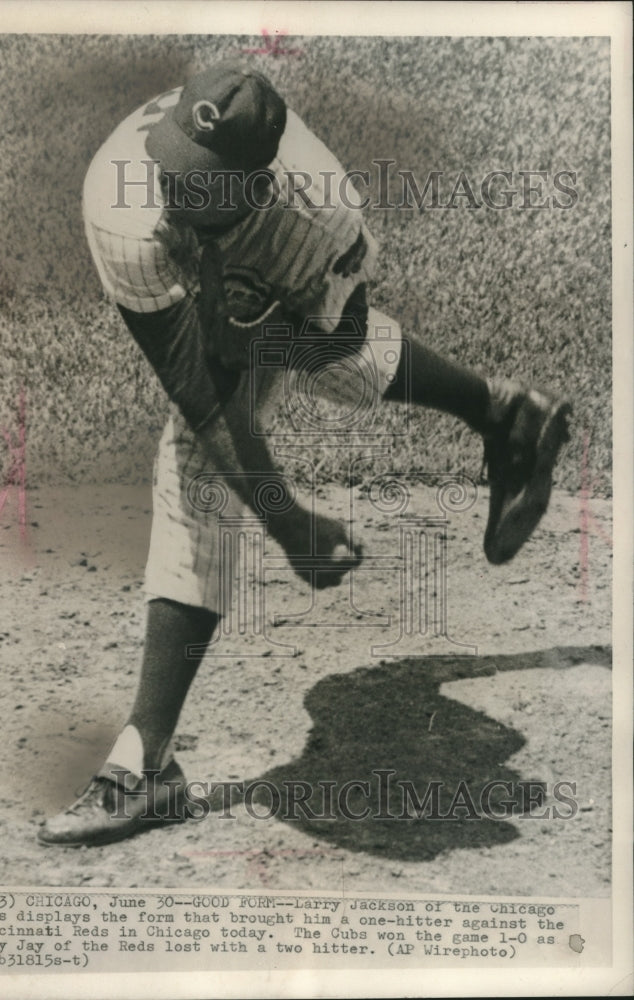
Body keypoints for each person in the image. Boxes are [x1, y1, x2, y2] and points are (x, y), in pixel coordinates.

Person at [38, 63, 570, 847]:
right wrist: (286, 519)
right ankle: (503, 414)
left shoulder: (318, 213)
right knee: (207, 441)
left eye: (205, 186)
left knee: (328, 369)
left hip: (300, 266)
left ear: (255, 189)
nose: (178, 193)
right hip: (228, 264)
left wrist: (254, 328)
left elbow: (340, 338)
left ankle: (146, 767)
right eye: (176, 167)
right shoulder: (121, 200)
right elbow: (199, 387)